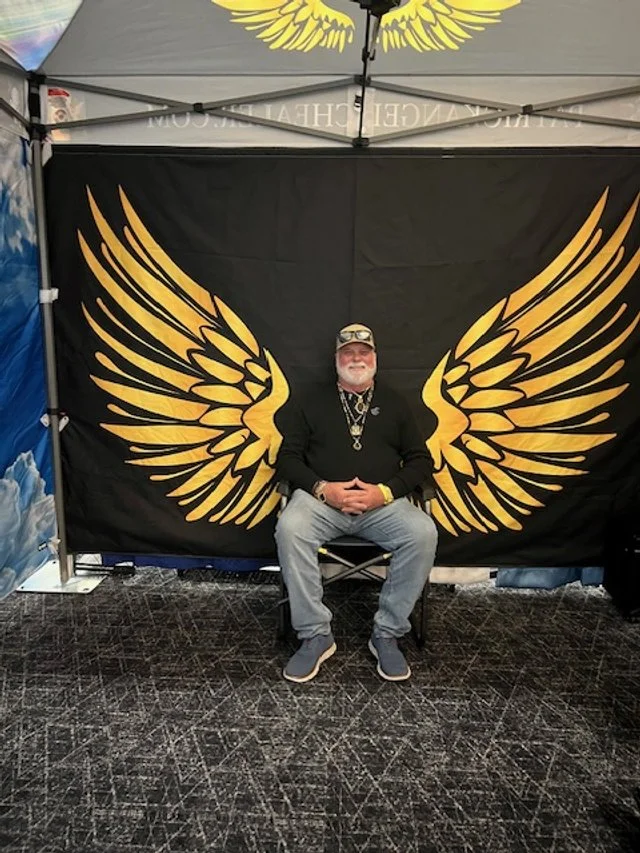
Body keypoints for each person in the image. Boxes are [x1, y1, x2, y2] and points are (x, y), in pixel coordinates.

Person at [275, 322, 438, 683]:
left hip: (382, 505)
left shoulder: (395, 403)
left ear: (375, 359)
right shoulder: (311, 400)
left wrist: (386, 491)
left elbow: (421, 461)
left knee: (423, 533)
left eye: (364, 352)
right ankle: (315, 634)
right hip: (321, 504)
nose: (356, 358)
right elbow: (286, 459)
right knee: (290, 527)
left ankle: (388, 632)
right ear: (337, 360)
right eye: (348, 353)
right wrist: (322, 489)